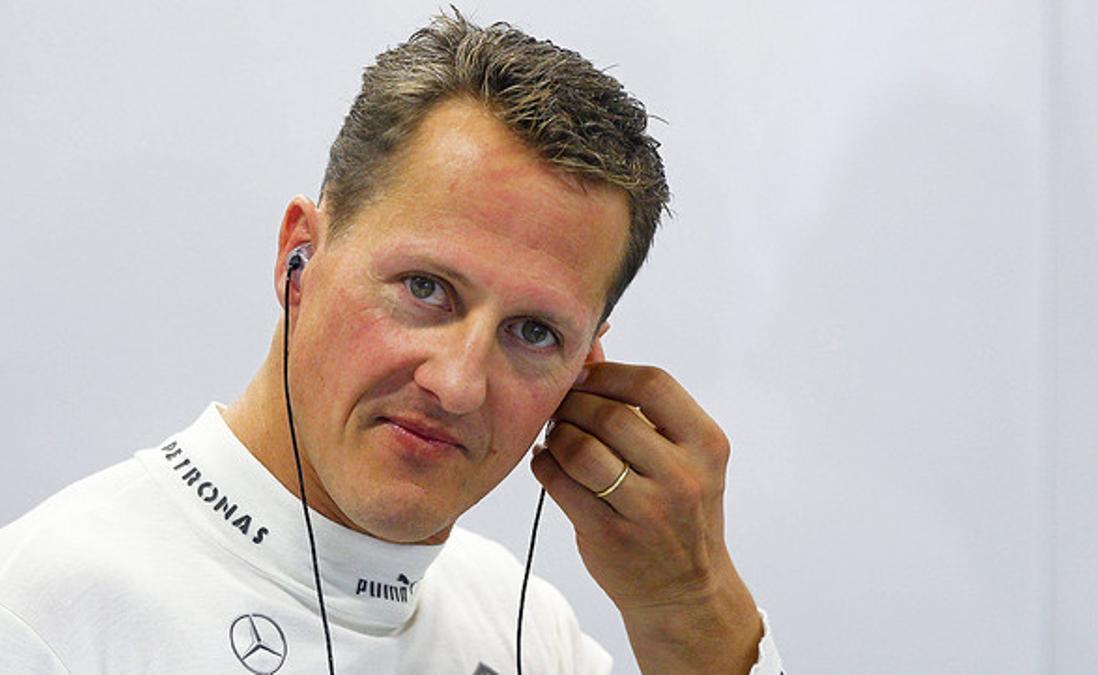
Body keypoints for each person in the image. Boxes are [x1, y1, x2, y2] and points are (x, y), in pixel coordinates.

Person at [0, 11, 783, 674]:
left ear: (585, 370)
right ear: (297, 258)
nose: (458, 383)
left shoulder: (527, 630)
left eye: (534, 332)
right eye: (425, 287)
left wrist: (695, 607)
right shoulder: (46, 614)